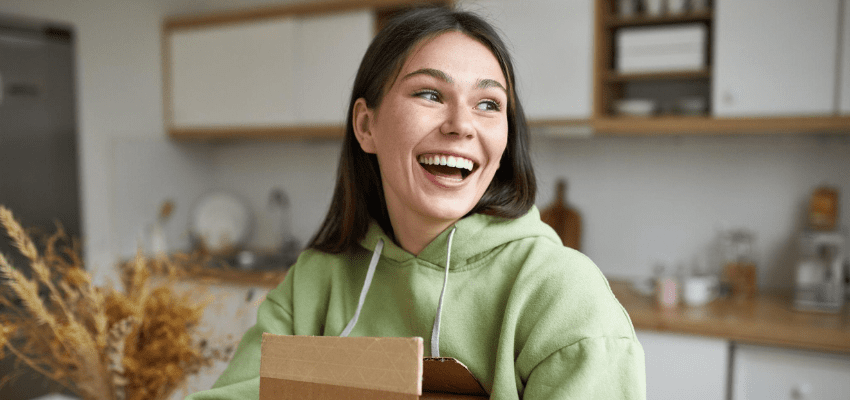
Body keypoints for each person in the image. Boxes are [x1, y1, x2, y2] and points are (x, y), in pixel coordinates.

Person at [186, 6, 645, 400]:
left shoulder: (562, 295)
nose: (462, 124)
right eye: (430, 93)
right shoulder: (316, 280)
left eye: (488, 104)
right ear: (366, 126)